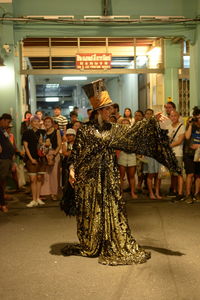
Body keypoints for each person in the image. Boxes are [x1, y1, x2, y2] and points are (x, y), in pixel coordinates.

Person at [61, 79, 179, 266]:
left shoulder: (115, 130)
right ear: (98, 111)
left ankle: (109, 241)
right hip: (89, 180)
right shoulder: (84, 131)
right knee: (92, 212)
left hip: (108, 178)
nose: (111, 112)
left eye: (111, 109)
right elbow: (76, 154)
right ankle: (92, 243)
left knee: (111, 209)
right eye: (107, 109)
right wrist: (72, 170)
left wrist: (152, 122)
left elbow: (135, 131)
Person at [22, 115, 47, 207]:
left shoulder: (43, 132)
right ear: (31, 123)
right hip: (31, 158)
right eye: (34, 122)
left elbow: (46, 144)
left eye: (38, 121)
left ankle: (38, 198)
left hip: (41, 158)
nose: (36, 123)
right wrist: (31, 158)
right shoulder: (26, 133)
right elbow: (26, 147)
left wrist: (43, 143)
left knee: (40, 178)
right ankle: (33, 199)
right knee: (33, 179)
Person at [40, 117, 62, 201]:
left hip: (54, 154)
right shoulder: (43, 133)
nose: (47, 123)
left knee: (54, 175)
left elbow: (59, 144)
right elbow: (41, 143)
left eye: (49, 122)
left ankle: (54, 193)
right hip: (45, 154)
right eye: (45, 122)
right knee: (45, 175)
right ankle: (45, 193)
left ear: (52, 123)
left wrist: (54, 154)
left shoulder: (57, 132)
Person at [183, 107, 200, 203]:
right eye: (197, 117)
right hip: (189, 153)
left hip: (198, 154)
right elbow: (187, 136)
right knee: (190, 174)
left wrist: (199, 145)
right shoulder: (191, 125)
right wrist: (189, 124)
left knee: (198, 175)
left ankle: (197, 194)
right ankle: (188, 194)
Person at [168, 111, 185, 201]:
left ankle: (180, 193)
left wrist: (168, 146)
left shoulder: (182, 127)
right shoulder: (168, 127)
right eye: (171, 116)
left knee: (179, 173)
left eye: (175, 116)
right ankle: (174, 190)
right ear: (169, 117)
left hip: (178, 153)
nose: (173, 117)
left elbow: (179, 141)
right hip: (170, 153)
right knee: (173, 173)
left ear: (178, 117)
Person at [118, 118, 137, 199]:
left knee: (132, 175)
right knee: (121, 176)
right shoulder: (118, 133)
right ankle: (120, 193)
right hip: (122, 155)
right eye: (123, 123)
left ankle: (132, 192)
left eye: (127, 123)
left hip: (132, 155)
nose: (125, 125)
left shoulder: (133, 133)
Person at [0, 114, 15, 212]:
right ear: (3, 120)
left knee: (3, 181)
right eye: (8, 122)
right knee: (0, 182)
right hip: (2, 159)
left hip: (7, 159)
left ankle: (2, 199)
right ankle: (2, 203)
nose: (8, 124)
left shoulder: (3, 130)